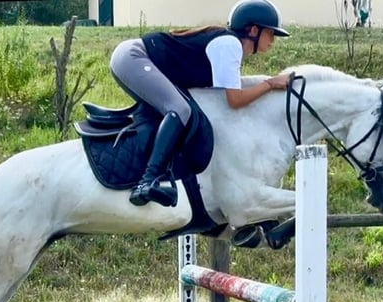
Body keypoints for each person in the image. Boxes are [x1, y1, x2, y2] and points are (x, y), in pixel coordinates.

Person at [109, 0, 293, 208]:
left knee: (182, 110)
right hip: (134, 57)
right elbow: (235, 100)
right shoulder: (230, 45)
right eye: (271, 33)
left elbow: (227, 93)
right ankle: (147, 182)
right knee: (180, 109)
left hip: (138, 59)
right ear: (253, 30)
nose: (273, 40)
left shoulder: (228, 44)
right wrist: (270, 84)